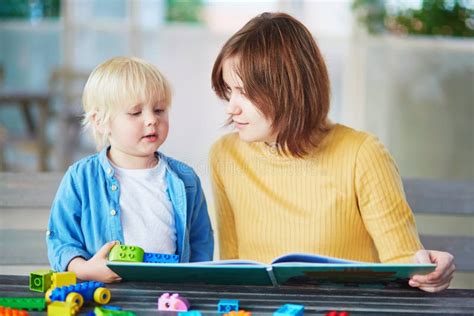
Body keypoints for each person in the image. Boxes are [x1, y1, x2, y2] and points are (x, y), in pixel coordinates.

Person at [209, 12, 454, 292]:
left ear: (288, 89)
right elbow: (233, 268)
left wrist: (431, 272)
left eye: (245, 92)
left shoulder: (362, 154)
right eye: (229, 90)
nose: (231, 107)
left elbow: (403, 263)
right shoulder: (225, 155)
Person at [47, 57, 214, 283]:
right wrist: (85, 270)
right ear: (100, 122)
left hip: (170, 294)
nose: (151, 120)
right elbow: (62, 240)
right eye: (135, 113)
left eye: (159, 110)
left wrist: (196, 284)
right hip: (106, 296)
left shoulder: (185, 179)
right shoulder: (81, 178)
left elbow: (200, 241)